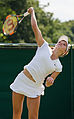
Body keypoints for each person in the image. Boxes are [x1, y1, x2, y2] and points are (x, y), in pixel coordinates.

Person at [10, 7, 69, 119]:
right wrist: (32, 13)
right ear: (56, 44)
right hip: (22, 80)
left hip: (36, 87)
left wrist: (50, 82)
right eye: (60, 41)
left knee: (33, 117)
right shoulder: (44, 46)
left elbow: (48, 83)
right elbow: (35, 27)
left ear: (65, 52)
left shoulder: (59, 67)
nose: (62, 42)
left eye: (65, 44)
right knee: (16, 114)